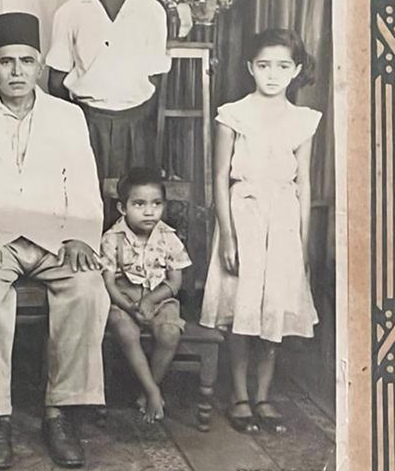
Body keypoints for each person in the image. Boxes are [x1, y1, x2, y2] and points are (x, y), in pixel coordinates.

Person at [0, 12, 107, 469]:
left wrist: (79, 236)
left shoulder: (68, 116)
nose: (17, 71)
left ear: (40, 65)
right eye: (6, 62)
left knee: (87, 288)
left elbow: (83, 181)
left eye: (27, 61)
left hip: (57, 236)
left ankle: (61, 413)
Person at [201, 29, 321, 435]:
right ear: (250, 67)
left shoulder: (303, 121)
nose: (273, 74)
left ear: (296, 70)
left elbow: (304, 183)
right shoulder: (233, 115)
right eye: (264, 65)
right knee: (243, 305)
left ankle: (263, 395)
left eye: (283, 66)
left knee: (274, 307)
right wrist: (228, 235)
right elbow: (220, 177)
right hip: (244, 217)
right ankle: (239, 395)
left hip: (283, 220)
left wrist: (302, 242)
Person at [46, 0, 171, 196]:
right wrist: (78, 124)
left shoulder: (152, 12)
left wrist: (136, 121)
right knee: (85, 200)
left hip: (136, 127)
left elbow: (156, 78)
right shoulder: (70, 12)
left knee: (135, 203)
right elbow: (56, 80)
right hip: (87, 124)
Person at [100, 168, 191, 424]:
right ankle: (153, 392)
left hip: (160, 297)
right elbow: (108, 283)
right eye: (139, 204)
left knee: (170, 333)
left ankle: (149, 388)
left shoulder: (168, 238)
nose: (149, 211)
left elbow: (175, 282)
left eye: (156, 204)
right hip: (124, 299)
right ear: (123, 208)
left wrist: (151, 301)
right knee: (124, 329)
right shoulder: (112, 238)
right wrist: (130, 308)